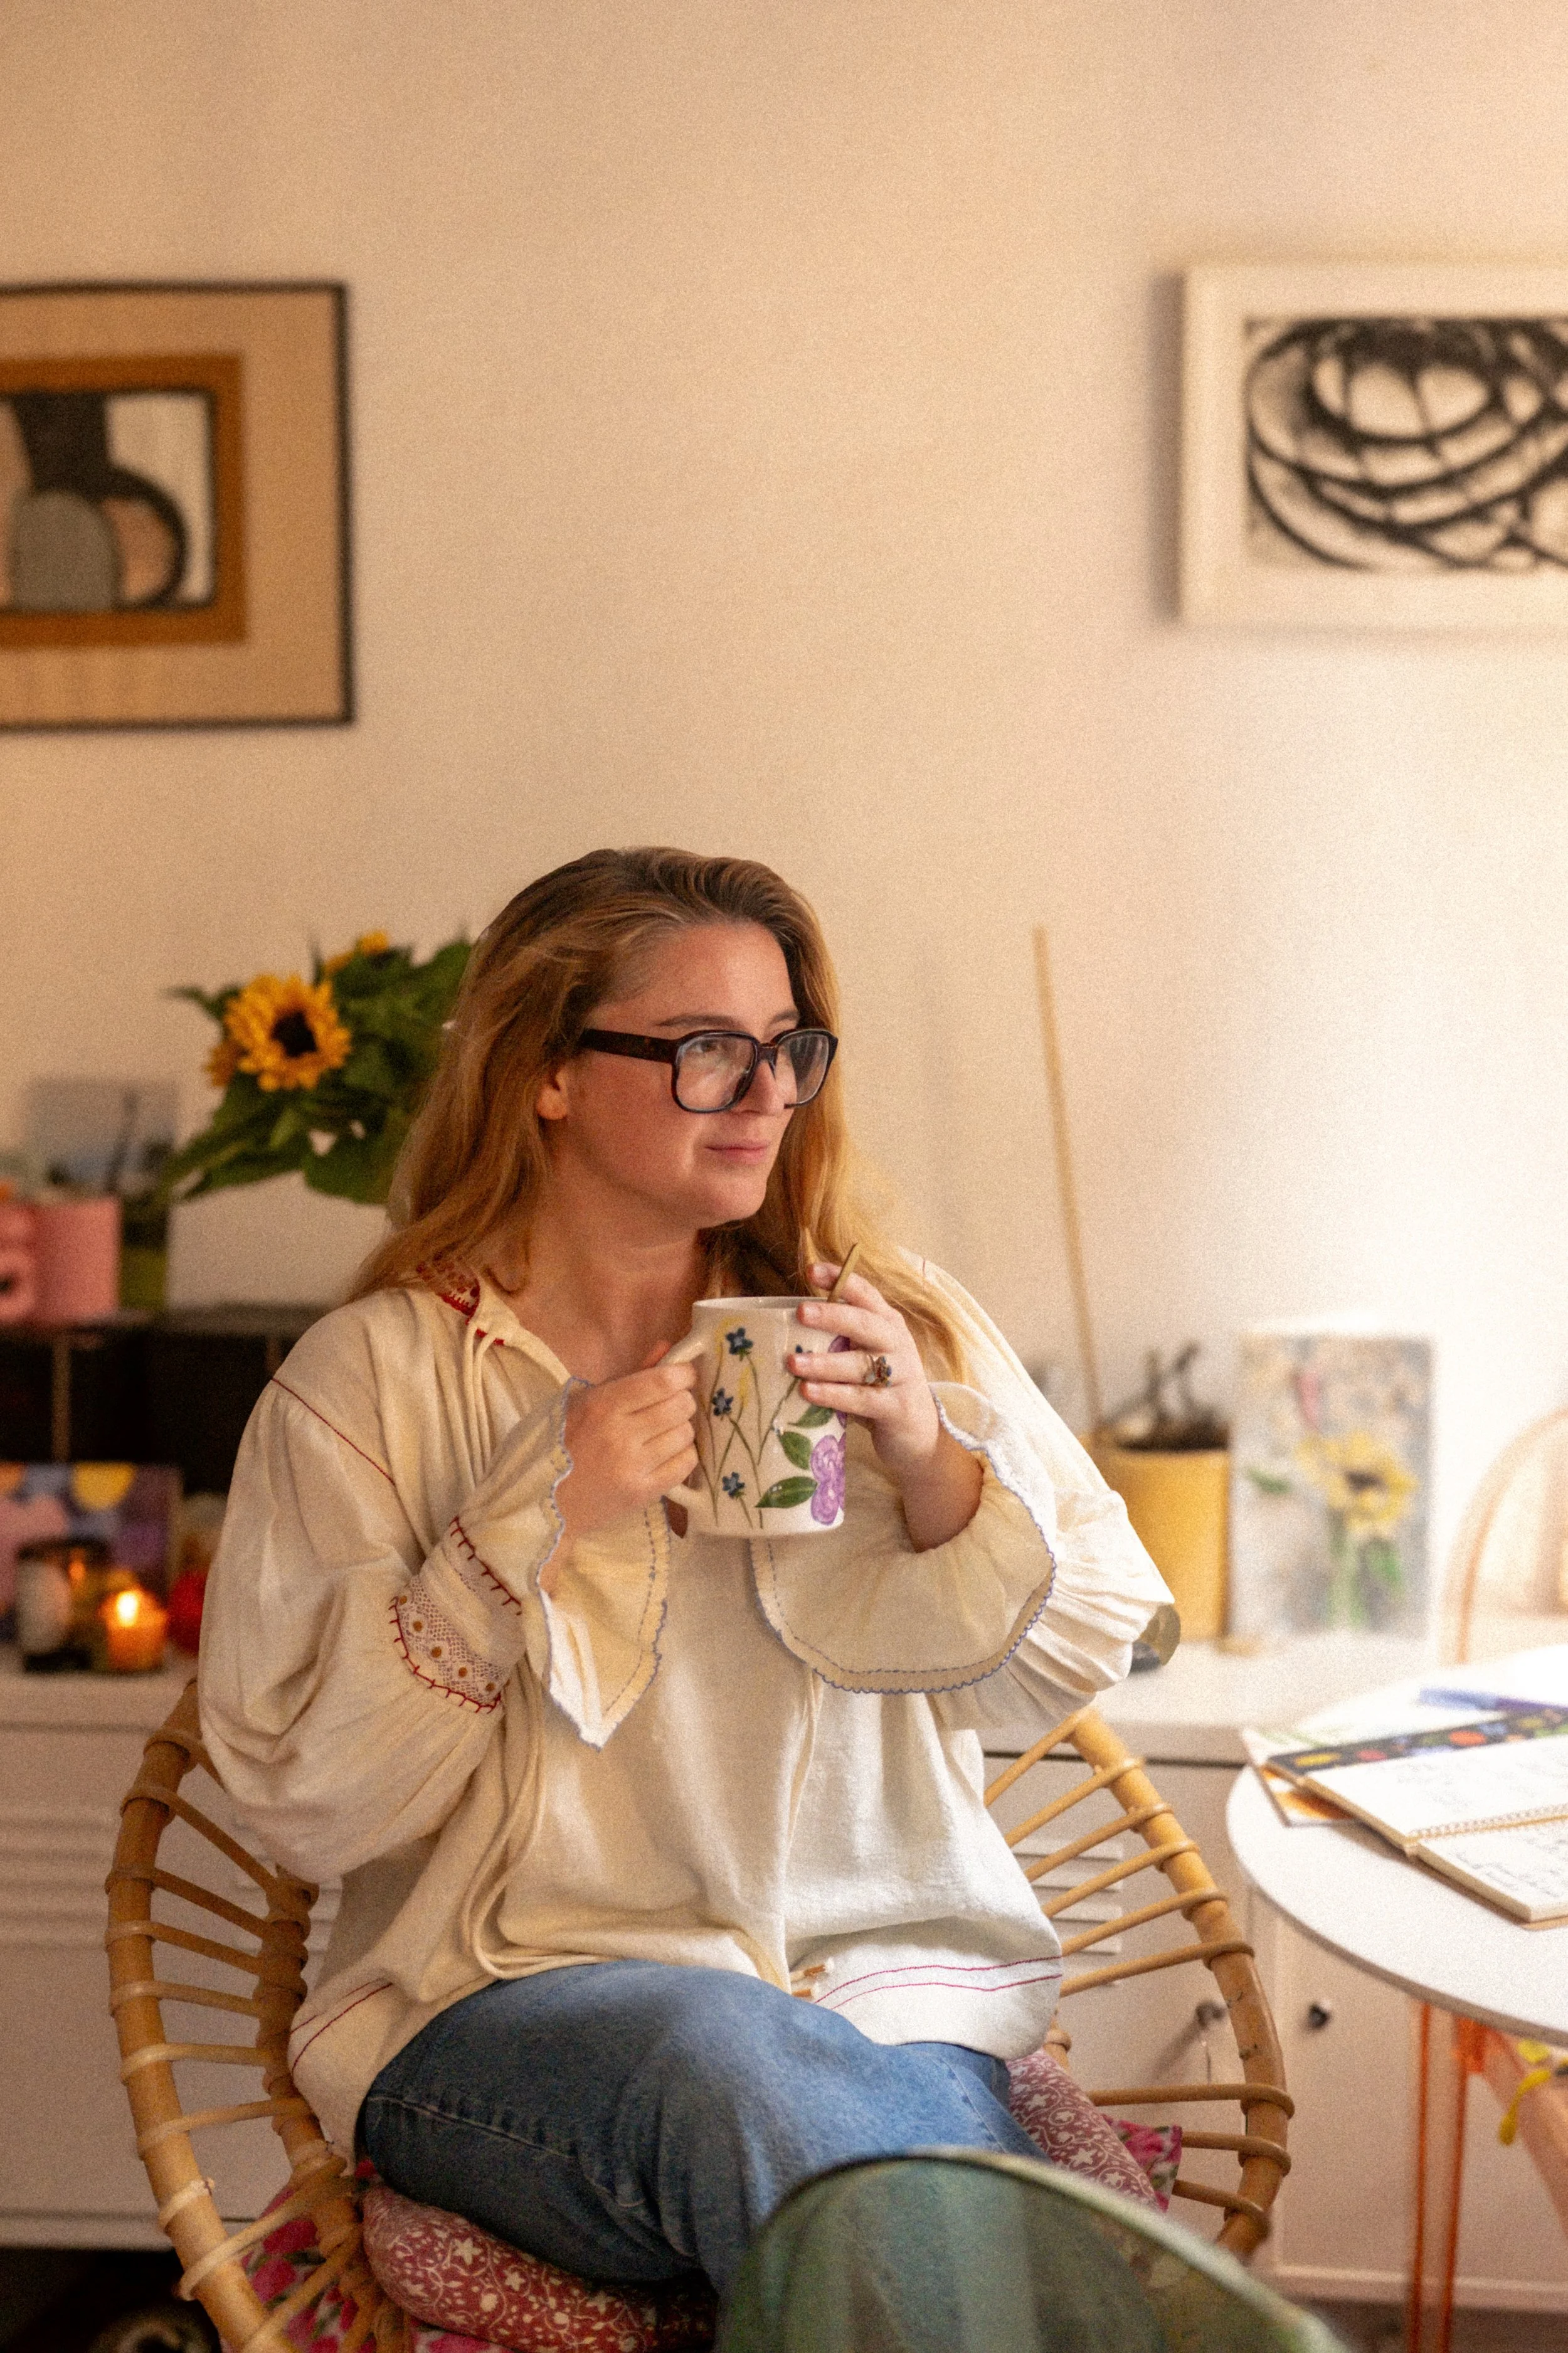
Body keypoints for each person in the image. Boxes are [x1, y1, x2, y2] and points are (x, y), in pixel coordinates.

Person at [199, 846, 1170, 2311]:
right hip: (505, 2008)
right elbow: (303, 1801)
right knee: (755, 2082)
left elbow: (1076, 1653)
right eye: (711, 1052)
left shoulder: (881, 1320)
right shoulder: (380, 1379)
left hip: (880, 1997)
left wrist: (929, 1457)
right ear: (543, 1072)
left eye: (788, 1052)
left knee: (839, 2125)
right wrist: (520, 1528)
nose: (771, 1096)